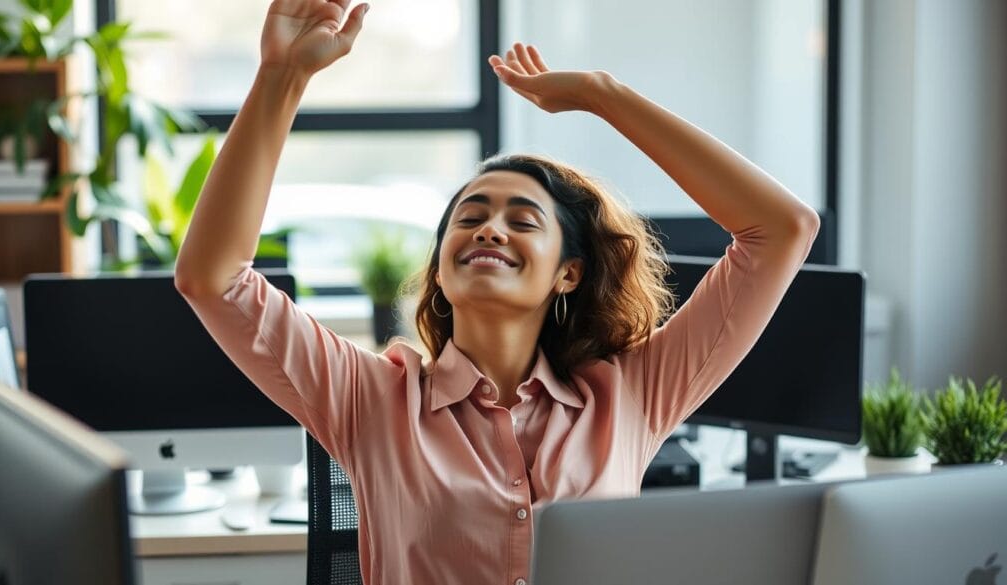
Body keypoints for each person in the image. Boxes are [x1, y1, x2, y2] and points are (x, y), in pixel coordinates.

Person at [174, 1, 820, 583]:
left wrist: (604, 95)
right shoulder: (371, 400)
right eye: (471, 215)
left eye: (523, 220)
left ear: (567, 272)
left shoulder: (630, 397)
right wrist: (280, 76)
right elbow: (212, 278)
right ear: (443, 265)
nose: (490, 226)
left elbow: (782, 229)